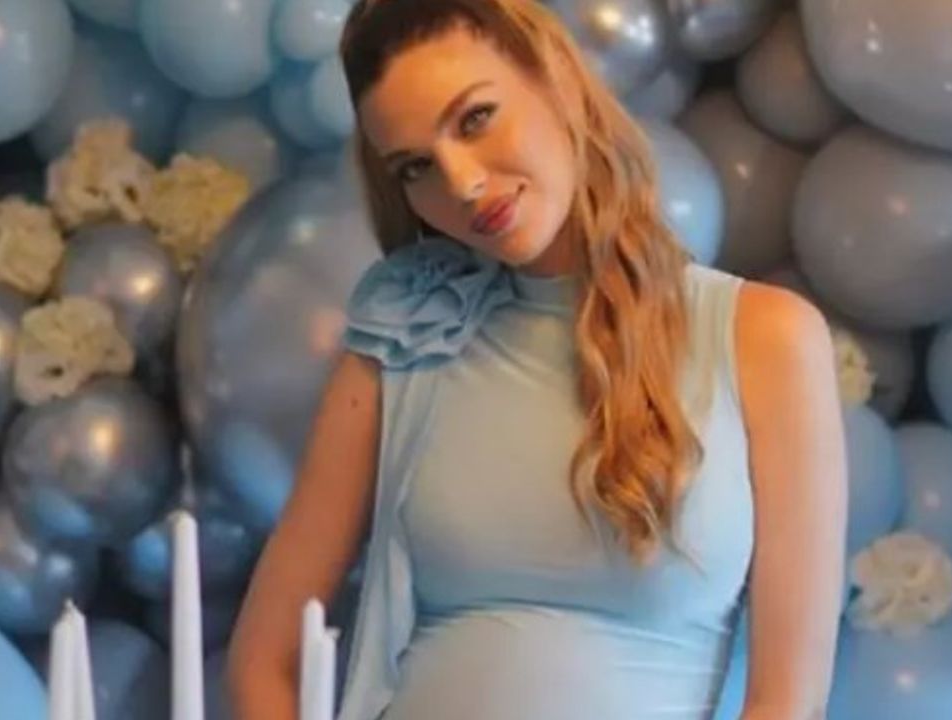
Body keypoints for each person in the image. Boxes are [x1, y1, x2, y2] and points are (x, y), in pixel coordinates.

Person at [226, 1, 848, 718]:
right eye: (416, 167)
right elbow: (263, 660)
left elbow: (788, 701)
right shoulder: (405, 340)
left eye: (475, 120)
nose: (462, 183)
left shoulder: (765, 337)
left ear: (557, 82)